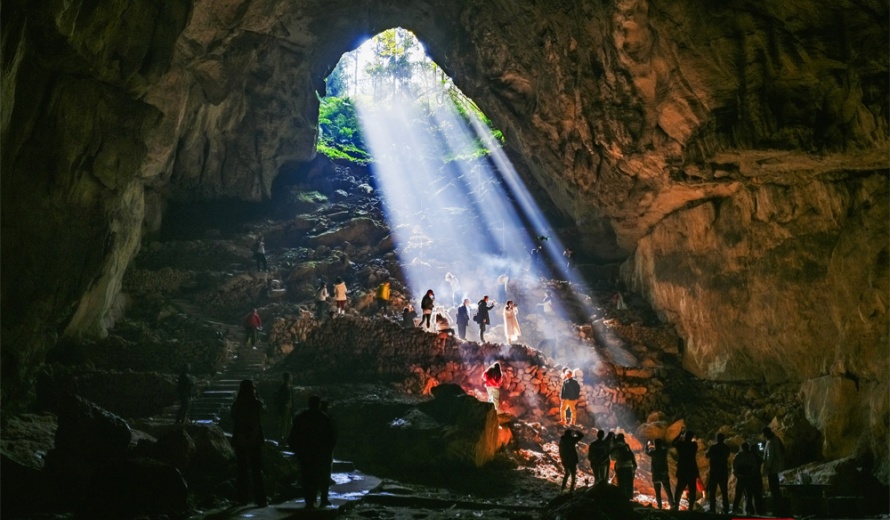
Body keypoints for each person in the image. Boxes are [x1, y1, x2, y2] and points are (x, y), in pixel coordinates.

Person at [289, 395, 336, 509]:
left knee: (307, 477)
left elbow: (293, 436)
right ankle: (324, 499)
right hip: (321, 453)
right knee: (323, 475)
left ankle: (310, 501)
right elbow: (331, 437)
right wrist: (329, 451)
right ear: (318, 404)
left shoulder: (301, 417)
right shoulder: (324, 418)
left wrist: (297, 450)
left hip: (305, 453)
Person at [231, 380, 267, 507]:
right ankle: (261, 499)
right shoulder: (257, 403)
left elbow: (233, 417)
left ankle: (242, 499)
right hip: (255, 440)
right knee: (256, 470)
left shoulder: (237, 404)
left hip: (240, 440)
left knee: (242, 470)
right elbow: (264, 413)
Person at [672, 429, 699, 510]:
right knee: (692, 490)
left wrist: (679, 435)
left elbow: (673, 443)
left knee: (679, 489)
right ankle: (690, 507)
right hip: (691, 470)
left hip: (682, 470)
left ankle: (676, 505)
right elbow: (694, 442)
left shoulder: (681, 444)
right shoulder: (694, 445)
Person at [761, 427, 786, 515]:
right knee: (777, 490)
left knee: (774, 490)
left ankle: (777, 510)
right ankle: (781, 509)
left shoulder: (770, 442)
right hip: (777, 468)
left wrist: (766, 467)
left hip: (772, 470)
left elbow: (769, 456)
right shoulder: (776, 439)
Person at [732, 441, 761, 514]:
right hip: (749, 478)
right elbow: (755, 467)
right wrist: (752, 474)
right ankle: (749, 511)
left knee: (738, 495)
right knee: (749, 496)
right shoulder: (751, 456)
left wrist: (737, 475)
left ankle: (734, 510)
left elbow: (734, 467)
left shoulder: (738, 455)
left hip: (741, 478)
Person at [706, 432, 731, 513]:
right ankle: (726, 508)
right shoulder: (726, 448)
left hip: (714, 471)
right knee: (724, 491)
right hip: (723, 471)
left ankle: (712, 508)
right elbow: (727, 455)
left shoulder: (713, 447)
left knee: (712, 491)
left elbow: (707, 455)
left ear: (717, 438)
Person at [646, 438, 675, 509]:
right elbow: (666, 447)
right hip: (664, 473)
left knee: (657, 491)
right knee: (668, 489)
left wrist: (647, 445)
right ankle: (672, 504)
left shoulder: (653, 452)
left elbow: (646, 451)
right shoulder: (664, 451)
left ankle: (659, 506)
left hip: (656, 474)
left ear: (655, 444)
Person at [611, 433, 637, 500]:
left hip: (621, 466)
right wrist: (634, 464)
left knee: (621, 483)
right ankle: (630, 499)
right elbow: (631, 455)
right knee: (629, 483)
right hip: (629, 466)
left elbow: (612, 458)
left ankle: (622, 500)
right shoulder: (626, 445)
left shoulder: (616, 446)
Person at [274, 372, 294, 444]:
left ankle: (285, 438)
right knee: (284, 424)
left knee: (288, 424)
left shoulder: (288, 387)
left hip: (288, 407)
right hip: (285, 407)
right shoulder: (284, 387)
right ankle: (282, 439)